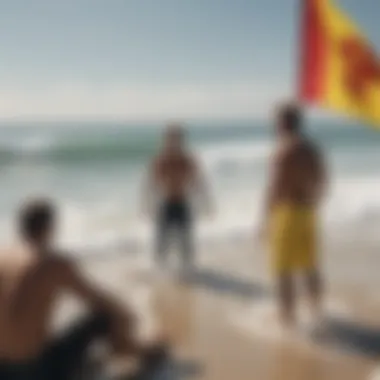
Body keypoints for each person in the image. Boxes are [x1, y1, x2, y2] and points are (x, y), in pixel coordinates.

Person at [0, 199, 165, 379]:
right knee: (105, 316)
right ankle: (137, 354)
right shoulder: (52, 263)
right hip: (36, 371)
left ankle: (115, 356)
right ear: (50, 228)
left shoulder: (3, 257)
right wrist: (126, 314)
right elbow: (98, 300)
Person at [260, 103, 327, 328]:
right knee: (310, 265)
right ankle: (317, 313)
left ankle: (287, 319)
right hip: (308, 212)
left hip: (287, 213)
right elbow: (323, 180)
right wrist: (313, 200)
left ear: (282, 123)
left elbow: (274, 188)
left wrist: (265, 220)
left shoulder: (282, 150)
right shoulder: (311, 149)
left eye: (276, 121)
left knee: (283, 269)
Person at [144, 123, 210, 273]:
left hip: (182, 203)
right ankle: (160, 272)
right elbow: (150, 185)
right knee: (162, 241)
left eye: (176, 138)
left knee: (185, 241)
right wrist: (148, 206)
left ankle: (188, 272)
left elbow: (199, 182)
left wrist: (205, 203)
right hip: (166, 204)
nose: (173, 142)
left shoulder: (187, 160)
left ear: (181, 140)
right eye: (170, 138)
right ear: (165, 140)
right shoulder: (160, 160)